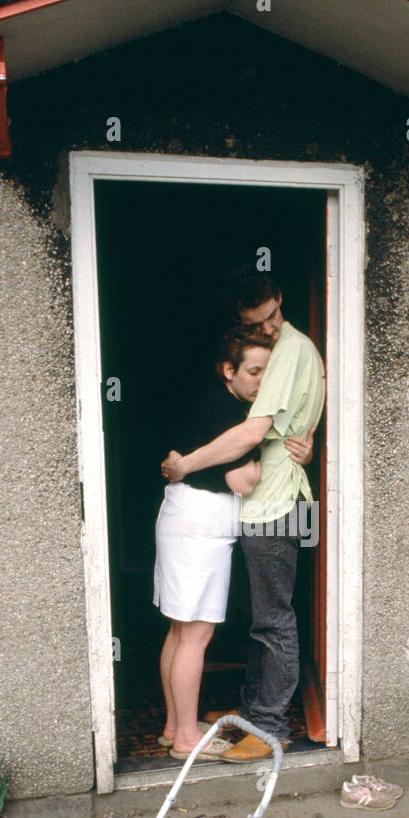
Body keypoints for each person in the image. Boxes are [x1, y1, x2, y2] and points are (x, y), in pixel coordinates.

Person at [161, 267, 324, 762]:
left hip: (276, 504)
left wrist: (185, 464)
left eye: (272, 316)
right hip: (270, 503)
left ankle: (268, 723)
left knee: (272, 620)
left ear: (281, 298)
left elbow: (253, 437)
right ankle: (250, 714)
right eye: (258, 323)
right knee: (261, 619)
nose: (269, 328)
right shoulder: (290, 356)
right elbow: (272, 435)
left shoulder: (290, 351)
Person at [154, 329, 269, 760]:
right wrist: (265, 458)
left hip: (184, 519)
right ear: (229, 370)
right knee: (196, 636)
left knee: (180, 629)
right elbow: (242, 480)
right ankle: (186, 739)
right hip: (200, 527)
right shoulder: (227, 410)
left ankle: (173, 726)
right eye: (254, 371)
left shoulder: (213, 402)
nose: (261, 380)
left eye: (267, 372)